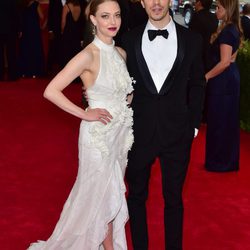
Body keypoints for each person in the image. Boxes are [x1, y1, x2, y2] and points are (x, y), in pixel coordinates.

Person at [28, 0, 134, 248]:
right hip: (97, 137)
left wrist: (128, 97)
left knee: (111, 193)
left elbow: (124, 93)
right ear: (93, 19)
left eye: (116, 16)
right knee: (104, 195)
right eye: (105, 16)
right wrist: (85, 114)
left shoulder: (121, 54)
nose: (112, 22)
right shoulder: (87, 55)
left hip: (120, 135)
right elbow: (51, 90)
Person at [121, 0, 206, 248]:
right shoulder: (129, 39)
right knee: (136, 197)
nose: (156, 3)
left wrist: (192, 125)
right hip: (139, 133)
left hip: (177, 133)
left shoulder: (192, 40)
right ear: (142, 2)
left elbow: (198, 84)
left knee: (174, 199)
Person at [205, 0, 242, 172]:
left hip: (223, 80)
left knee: (220, 119)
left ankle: (220, 162)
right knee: (225, 119)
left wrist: (206, 77)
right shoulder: (232, 28)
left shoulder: (228, 31)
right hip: (228, 78)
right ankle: (226, 160)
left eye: (218, 7)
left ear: (227, 9)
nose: (215, 11)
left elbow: (225, 62)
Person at [189, 0, 218, 71]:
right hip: (210, 57)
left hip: (197, 57)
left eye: (196, 1)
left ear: (199, 3)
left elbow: (191, 39)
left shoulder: (196, 17)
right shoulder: (214, 17)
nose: (194, 4)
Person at [18, 0, 45, 78]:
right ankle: (35, 71)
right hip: (34, 31)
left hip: (25, 31)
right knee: (35, 49)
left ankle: (24, 71)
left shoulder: (23, 4)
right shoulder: (36, 4)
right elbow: (41, 16)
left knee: (25, 50)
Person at [60, 0, 84, 68]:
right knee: (75, 52)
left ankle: (66, 70)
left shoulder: (66, 6)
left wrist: (62, 31)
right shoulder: (79, 6)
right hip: (76, 32)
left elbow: (63, 22)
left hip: (68, 32)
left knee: (66, 52)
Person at [0, 0, 20, 81]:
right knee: (11, 53)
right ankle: (12, 75)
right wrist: (19, 28)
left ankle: (0, 75)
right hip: (11, 29)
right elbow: (16, 14)